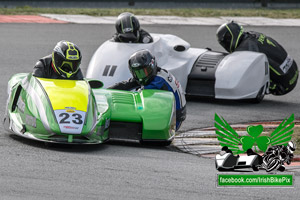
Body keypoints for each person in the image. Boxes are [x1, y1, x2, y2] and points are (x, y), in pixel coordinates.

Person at [108, 49, 186, 131]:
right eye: (138, 73)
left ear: (152, 65)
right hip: (173, 114)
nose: (142, 76)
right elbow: (127, 84)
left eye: (145, 71)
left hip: (172, 122)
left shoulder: (158, 81)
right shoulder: (158, 73)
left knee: (129, 107)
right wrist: (107, 91)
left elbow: (136, 100)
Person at [216, 21, 298, 95]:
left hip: (283, 84)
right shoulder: (252, 34)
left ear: (231, 36)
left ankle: (271, 85)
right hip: (293, 70)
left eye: (225, 41)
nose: (225, 45)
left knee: (240, 78)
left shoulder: (246, 48)